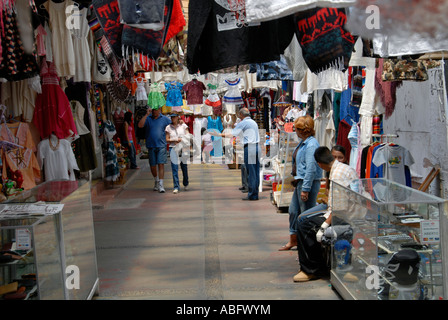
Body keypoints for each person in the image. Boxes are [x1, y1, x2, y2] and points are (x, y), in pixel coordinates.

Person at [293, 146, 358, 282]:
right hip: (341, 212)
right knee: (302, 218)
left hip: (345, 217)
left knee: (305, 225)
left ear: (319, 164)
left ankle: (310, 270)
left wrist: (323, 227)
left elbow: (338, 210)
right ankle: (317, 265)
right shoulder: (342, 168)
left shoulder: (337, 175)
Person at [279, 115, 322, 251]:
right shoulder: (305, 142)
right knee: (293, 211)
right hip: (301, 182)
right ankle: (294, 240)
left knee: (305, 215)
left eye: (296, 129)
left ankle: (307, 245)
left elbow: (311, 168)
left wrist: (305, 188)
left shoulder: (311, 144)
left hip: (306, 183)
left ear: (302, 130)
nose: (295, 131)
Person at [213, 108, 260, 200]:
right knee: (255, 171)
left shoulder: (243, 123)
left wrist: (218, 135)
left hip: (249, 148)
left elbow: (232, 134)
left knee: (251, 172)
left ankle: (252, 194)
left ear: (241, 115)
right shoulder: (253, 122)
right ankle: (255, 193)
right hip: (256, 147)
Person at [297, 145, 348, 223]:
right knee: (302, 217)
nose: (336, 160)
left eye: (340, 157)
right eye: (334, 157)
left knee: (303, 220)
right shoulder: (331, 171)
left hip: (335, 211)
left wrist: (325, 225)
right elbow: (327, 192)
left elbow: (338, 207)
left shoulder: (338, 174)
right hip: (329, 206)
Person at [138, 107, 171, 193]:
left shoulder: (164, 119)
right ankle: (156, 180)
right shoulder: (148, 118)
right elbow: (140, 125)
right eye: (153, 110)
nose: (154, 112)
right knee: (152, 166)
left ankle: (161, 184)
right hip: (151, 145)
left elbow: (172, 125)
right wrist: (146, 114)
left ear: (159, 110)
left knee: (161, 164)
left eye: (155, 110)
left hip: (161, 145)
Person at [166, 113, 190, 194]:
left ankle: (186, 183)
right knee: (174, 168)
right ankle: (176, 186)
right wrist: (174, 140)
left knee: (184, 167)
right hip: (173, 148)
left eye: (174, 117)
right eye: (172, 117)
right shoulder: (168, 127)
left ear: (177, 117)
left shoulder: (183, 126)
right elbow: (167, 139)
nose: (173, 119)